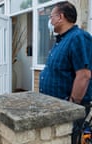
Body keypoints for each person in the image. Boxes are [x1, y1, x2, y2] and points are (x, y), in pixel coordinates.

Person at [39, 2, 92, 144]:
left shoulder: (78, 37)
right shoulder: (61, 40)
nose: (50, 21)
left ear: (61, 17)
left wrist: (71, 106)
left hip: (68, 108)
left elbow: (84, 75)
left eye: (51, 17)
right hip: (56, 106)